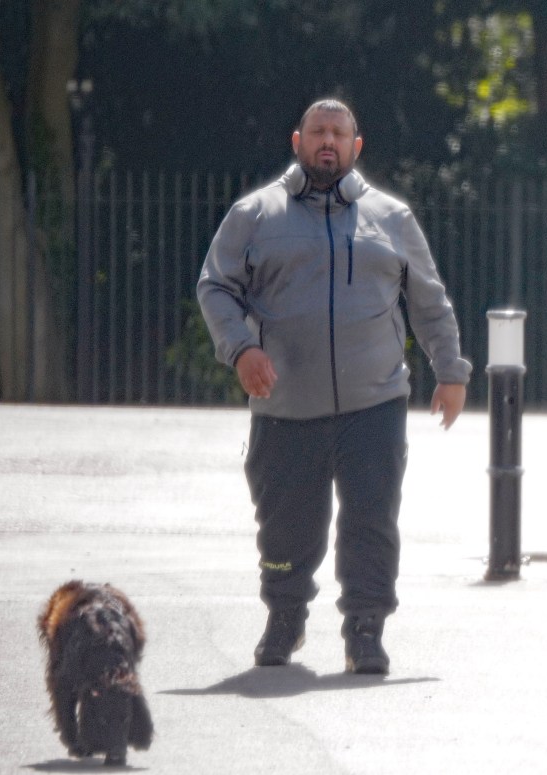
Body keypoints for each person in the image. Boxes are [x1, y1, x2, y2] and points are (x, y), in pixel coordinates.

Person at [197, 98, 471, 675]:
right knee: (285, 524)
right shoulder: (256, 214)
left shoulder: (391, 217)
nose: (329, 141)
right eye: (318, 132)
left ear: (356, 146)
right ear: (297, 141)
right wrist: (241, 349)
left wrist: (450, 371)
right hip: (285, 404)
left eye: (339, 133)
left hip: (375, 401)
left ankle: (366, 630)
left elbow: (427, 298)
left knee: (372, 519)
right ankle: (285, 618)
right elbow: (215, 286)